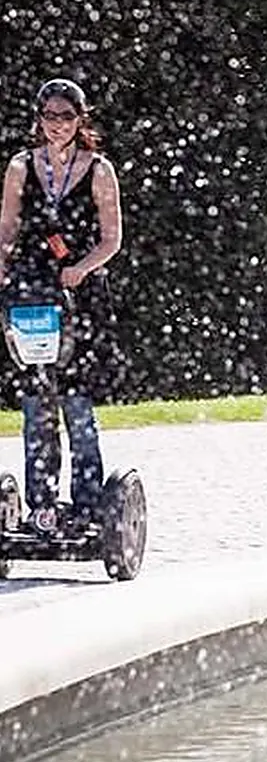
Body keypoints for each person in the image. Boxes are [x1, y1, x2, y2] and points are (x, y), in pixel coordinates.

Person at [0, 78, 123, 531]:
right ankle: (42, 503)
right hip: (31, 290)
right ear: (39, 118)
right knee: (36, 402)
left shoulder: (98, 170)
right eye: (49, 116)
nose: (57, 126)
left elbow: (112, 239)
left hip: (80, 291)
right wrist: (2, 263)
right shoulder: (20, 168)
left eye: (66, 117)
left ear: (80, 119)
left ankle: (88, 503)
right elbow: (7, 229)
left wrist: (82, 267)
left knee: (76, 404)